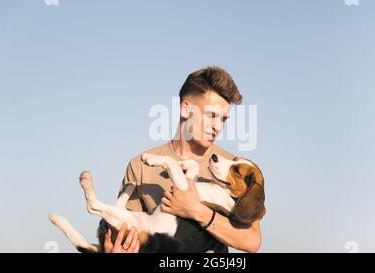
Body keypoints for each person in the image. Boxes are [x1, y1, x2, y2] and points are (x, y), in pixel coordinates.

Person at [104, 66, 262, 253]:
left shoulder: (229, 168)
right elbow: (126, 234)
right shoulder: (140, 165)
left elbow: (252, 242)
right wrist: (118, 247)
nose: (218, 127)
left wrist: (197, 211)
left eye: (224, 119)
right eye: (212, 115)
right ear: (186, 109)